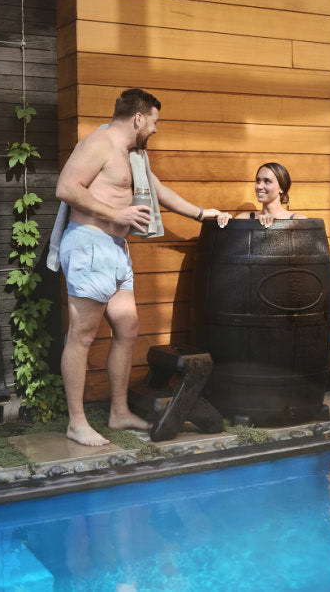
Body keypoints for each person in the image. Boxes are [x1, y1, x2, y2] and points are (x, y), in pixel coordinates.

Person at [55, 88, 226, 446]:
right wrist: (117, 213)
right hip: (89, 245)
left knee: (128, 328)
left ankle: (118, 412)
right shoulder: (98, 144)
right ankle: (76, 422)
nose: (155, 130)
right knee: (82, 336)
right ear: (138, 118)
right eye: (154, 122)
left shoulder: (132, 155)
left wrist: (200, 213)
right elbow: (66, 188)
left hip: (116, 249)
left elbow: (157, 188)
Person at [217, 162, 306, 228]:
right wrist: (225, 223)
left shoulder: (298, 220)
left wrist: (278, 225)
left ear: (281, 188)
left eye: (267, 181)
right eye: (258, 181)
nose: (259, 186)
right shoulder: (244, 218)